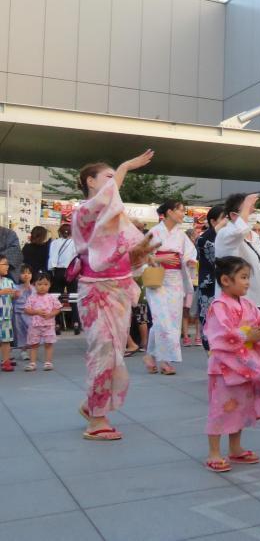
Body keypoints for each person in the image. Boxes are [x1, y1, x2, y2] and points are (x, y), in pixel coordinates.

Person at [73, 151, 159, 441]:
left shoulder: (114, 216)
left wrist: (140, 251)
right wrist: (124, 166)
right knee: (105, 351)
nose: (114, 183)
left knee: (112, 352)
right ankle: (97, 420)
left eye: (114, 176)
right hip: (97, 290)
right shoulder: (84, 211)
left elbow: (124, 257)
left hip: (116, 288)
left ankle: (91, 406)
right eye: (108, 177)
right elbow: (105, 204)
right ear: (90, 182)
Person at [204, 256, 260, 473]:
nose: (247, 282)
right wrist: (248, 335)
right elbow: (219, 335)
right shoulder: (219, 305)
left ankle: (235, 448)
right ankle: (214, 452)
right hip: (224, 366)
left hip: (244, 365)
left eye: (248, 277)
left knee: (239, 408)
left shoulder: (247, 304)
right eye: (244, 277)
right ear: (226, 280)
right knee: (221, 408)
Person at [142, 200, 197, 376]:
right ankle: (165, 360)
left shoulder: (181, 235)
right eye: (181, 210)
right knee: (162, 319)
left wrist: (189, 261)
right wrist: (159, 259)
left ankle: (150, 356)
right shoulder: (154, 232)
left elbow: (189, 253)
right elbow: (141, 255)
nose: (183, 214)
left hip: (175, 280)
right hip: (157, 279)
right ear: (169, 212)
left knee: (171, 321)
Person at [215, 194, 260, 320]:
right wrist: (246, 204)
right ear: (234, 215)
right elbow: (239, 231)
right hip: (240, 299)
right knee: (241, 337)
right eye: (249, 209)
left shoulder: (255, 237)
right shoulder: (226, 234)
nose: (252, 212)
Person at [192, 206, 226, 351]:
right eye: (223, 218)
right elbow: (214, 257)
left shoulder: (225, 237)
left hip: (224, 285)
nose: (226, 222)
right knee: (208, 318)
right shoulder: (203, 239)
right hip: (209, 285)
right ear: (213, 221)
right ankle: (211, 353)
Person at [22, 271, 62, 372]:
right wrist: (36, 312)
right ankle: (32, 363)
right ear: (34, 284)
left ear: (50, 285)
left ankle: (48, 362)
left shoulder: (52, 297)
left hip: (48, 325)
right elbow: (26, 310)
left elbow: (58, 309)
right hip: (35, 325)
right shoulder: (32, 298)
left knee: (48, 344)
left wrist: (51, 314)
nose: (42, 287)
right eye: (39, 284)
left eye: (45, 284)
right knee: (34, 344)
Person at [13, 264, 33, 361]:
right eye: (23, 273)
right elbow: (15, 297)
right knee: (20, 332)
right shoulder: (15, 286)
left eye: (29, 273)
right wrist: (22, 289)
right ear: (19, 275)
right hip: (19, 313)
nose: (26, 275)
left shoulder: (33, 287)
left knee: (31, 330)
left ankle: (31, 349)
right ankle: (23, 351)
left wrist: (28, 286)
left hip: (30, 313)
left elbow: (36, 297)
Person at [0, 256, 15, 372]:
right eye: (4, 264)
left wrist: (16, 294)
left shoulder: (9, 281)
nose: (7, 266)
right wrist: (2, 292)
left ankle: (6, 362)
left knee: (6, 340)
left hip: (6, 316)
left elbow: (14, 294)